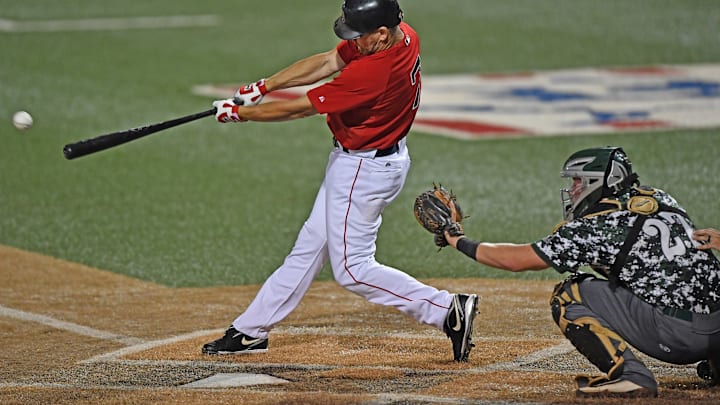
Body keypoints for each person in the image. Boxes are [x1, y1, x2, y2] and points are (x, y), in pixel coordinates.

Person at [201, 0, 478, 362]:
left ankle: (446, 310)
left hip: (364, 170)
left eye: (359, 36)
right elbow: (328, 60)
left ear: (380, 34)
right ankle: (252, 330)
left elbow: (301, 107)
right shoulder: (403, 35)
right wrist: (264, 86)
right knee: (310, 247)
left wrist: (241, 114)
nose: (354, 42)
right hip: (368, 160)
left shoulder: (373, 73)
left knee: (353, 270)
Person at [439, 146, 720, 397]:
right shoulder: (659, 198)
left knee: (568, 295)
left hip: (679, 337)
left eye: (577, 181)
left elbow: (518, 259)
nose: (572, 190)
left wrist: (457, 239)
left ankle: (630, 377)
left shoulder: (594, 227)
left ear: (598, 182)